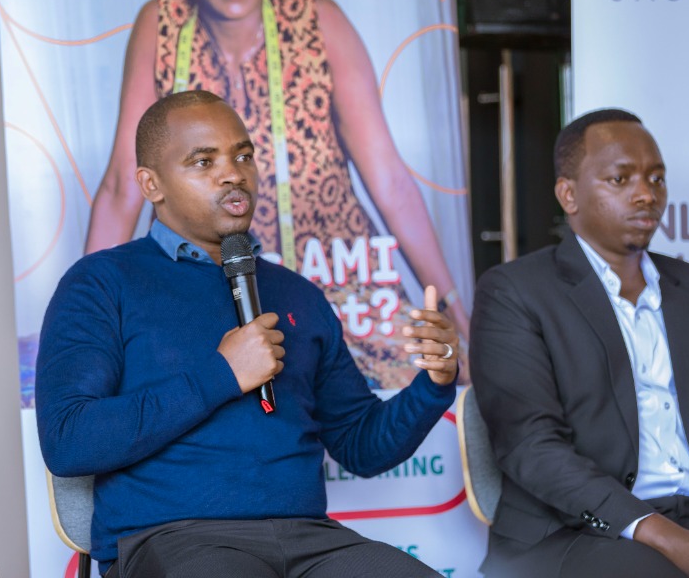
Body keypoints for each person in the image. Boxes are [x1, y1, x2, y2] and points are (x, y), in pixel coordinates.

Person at [38, 91, 459, 578]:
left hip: (309, 540)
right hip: (175, 539)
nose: (233, 174)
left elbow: (361, 445)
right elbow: (69, 441)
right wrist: (221, 375)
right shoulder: (101, 283)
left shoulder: (298, 294)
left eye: (243, 156)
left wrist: (434, 383)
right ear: (152, 185)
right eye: (204, 161)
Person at [83, 0, 469, 387]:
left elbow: (391, 182)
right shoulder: (161, 25)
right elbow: (121, 187)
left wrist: (454, 309)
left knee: (420, 393)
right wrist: (87, 319)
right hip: (215, 299)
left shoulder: (320, 22)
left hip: (341, 293)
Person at [469, 109, 689, 578]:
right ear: (568, 194)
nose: (647, 194)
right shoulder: (514, 291)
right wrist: (661, 533)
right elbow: (531, 447)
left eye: (657, 178)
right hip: (576, 532)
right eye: (620, 179)